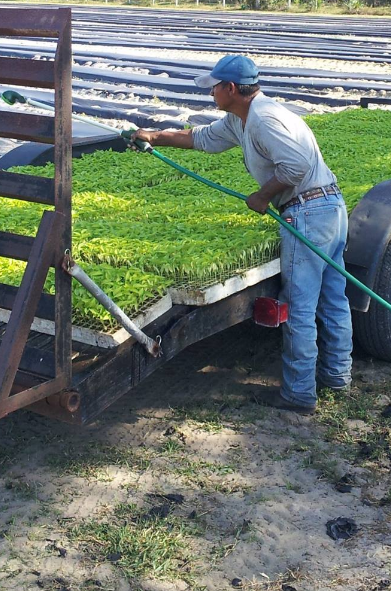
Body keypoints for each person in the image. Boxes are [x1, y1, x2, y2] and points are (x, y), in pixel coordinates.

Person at [132, 54, 352, 415]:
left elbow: (297, 166)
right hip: (329, 207)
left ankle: (299, 394)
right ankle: (337, 376)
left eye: (214, 87)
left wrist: (262, 196)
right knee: (333, 300)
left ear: (231, 88)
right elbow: (202, 138)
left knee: (300, 308)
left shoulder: (263, 119)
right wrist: (154, 136)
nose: (211, 93)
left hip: (309, 213)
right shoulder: (241, 119)